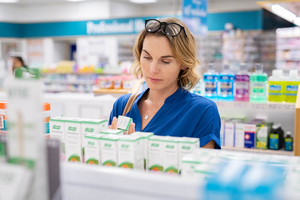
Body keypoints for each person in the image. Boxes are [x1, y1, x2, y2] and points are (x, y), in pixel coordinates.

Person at [109, 18, 221, 149]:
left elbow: (201, 167)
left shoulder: (202, 111)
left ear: (184, 63)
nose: (153, 69)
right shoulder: (123, 106)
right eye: (147, 57)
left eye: (165, 61)